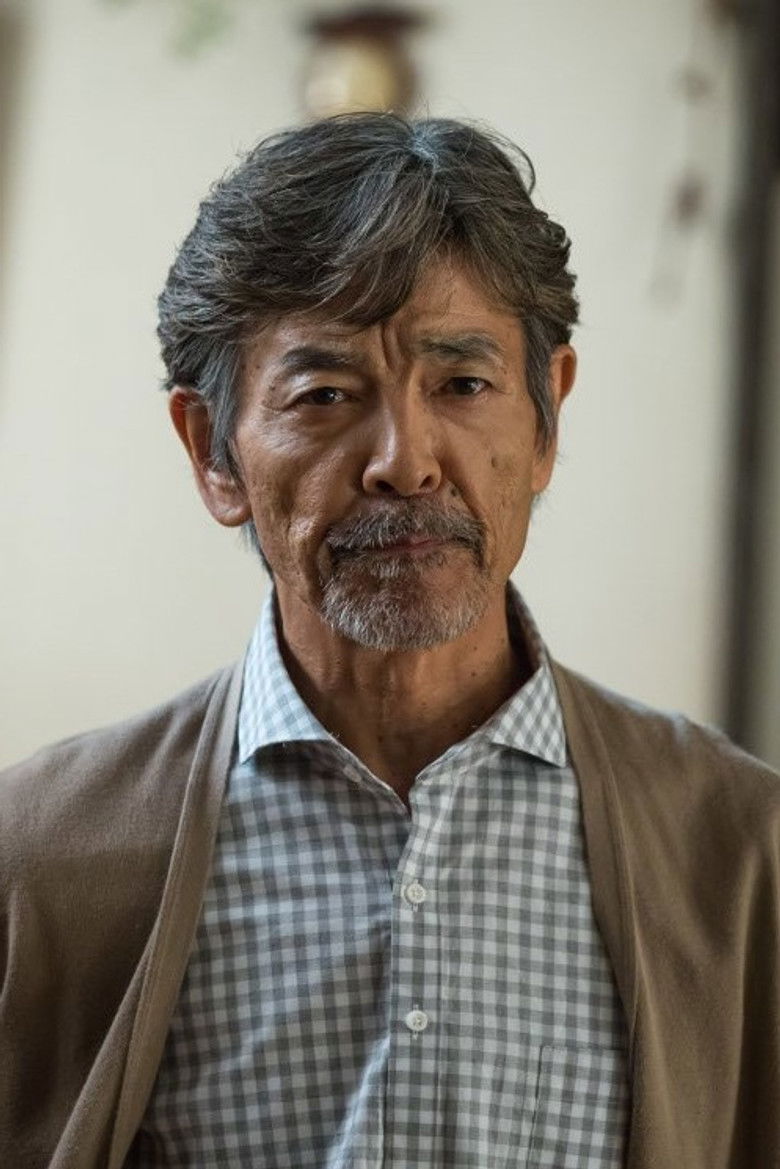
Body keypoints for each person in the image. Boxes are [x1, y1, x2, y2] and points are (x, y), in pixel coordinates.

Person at [1, 114, 778, 1169]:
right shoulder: (37, 862)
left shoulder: (743, 854)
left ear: (547, 422)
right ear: (213, 453)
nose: (405, 462)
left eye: (463, 384)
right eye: (325, 395)